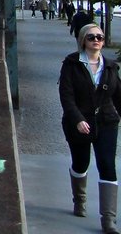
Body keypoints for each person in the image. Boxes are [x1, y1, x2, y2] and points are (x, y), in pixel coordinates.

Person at [60, 22, 121, 231]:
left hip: (106, 121)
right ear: (83, 40)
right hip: (78, 123)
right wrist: (77, 119)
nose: (96, 40)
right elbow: (66, 96)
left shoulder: (111, 67)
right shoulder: (72, 64)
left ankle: (108, 219)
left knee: (107, 165)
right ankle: (79, 199)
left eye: (100, 37)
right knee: (81, 163)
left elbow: (118, 97)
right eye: (91, 37)